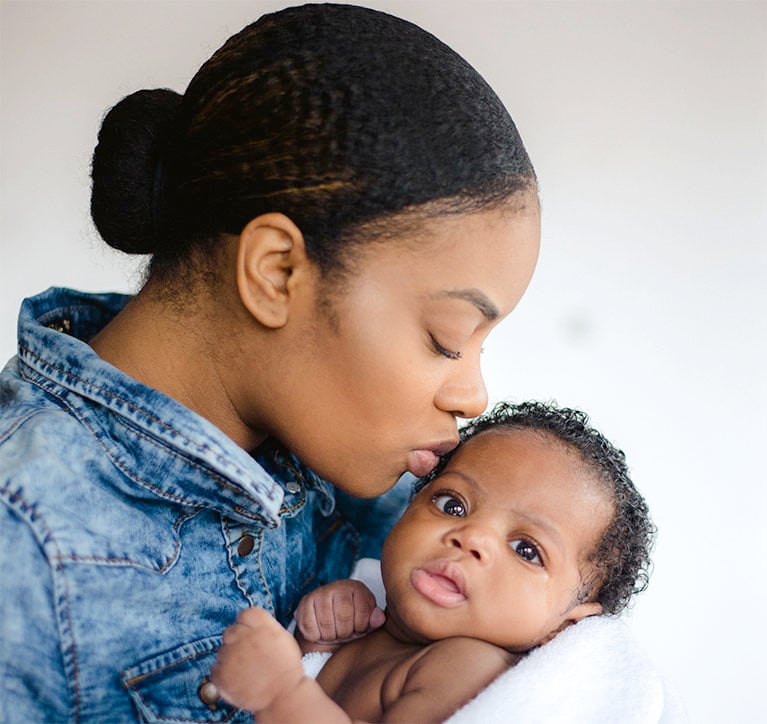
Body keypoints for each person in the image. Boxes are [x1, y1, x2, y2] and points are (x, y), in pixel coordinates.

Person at [0, 4, 541, 721]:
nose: (472, 394)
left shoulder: (385, 483)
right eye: (447, 338)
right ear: (277, 272)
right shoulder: (27, 553)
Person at [210, 401, 655, 722]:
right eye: (453, 505)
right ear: (408, 507)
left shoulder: (467, 668)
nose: (470, 538)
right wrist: (317, 643)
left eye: (526, 549)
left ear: (565, 626)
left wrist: (281, 693)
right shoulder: (375, 622)